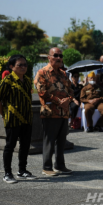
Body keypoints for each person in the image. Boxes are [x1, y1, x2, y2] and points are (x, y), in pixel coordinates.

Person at [0, 54, 36, 183]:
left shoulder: (28, 80)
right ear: (12, 67)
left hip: (27, 118)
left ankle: (22, 170)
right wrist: (3, 115)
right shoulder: (7, 81)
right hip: (13, 119)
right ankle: (7, 173)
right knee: (10, 146)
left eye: (25, 65)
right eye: (20, 65)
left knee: (25, 145)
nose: (23, 67)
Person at [35, 47, 74, 176]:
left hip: (63, 112)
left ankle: (60, 165)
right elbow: (41, 91)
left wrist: (68, 100)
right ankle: (47, 167)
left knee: (62, 140)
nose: (58, 58)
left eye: (60, 56)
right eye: (55, 55)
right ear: (49, 57)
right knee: (49, 140)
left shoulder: (63, 74)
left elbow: (71, 90)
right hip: (50, 111)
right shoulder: (42, 72)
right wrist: (58, 101)